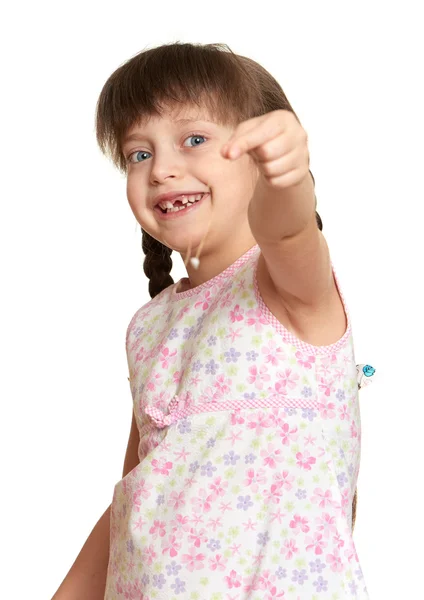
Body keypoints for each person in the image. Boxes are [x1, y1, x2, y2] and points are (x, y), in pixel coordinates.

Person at [53, 42, 376, 600]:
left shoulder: (290, 289)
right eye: (138, 154)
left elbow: (289, 230)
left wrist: (288, 181)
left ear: (258, 156)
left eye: (194, 140)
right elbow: (134, 499)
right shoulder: (147, 327)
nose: (162, 169)